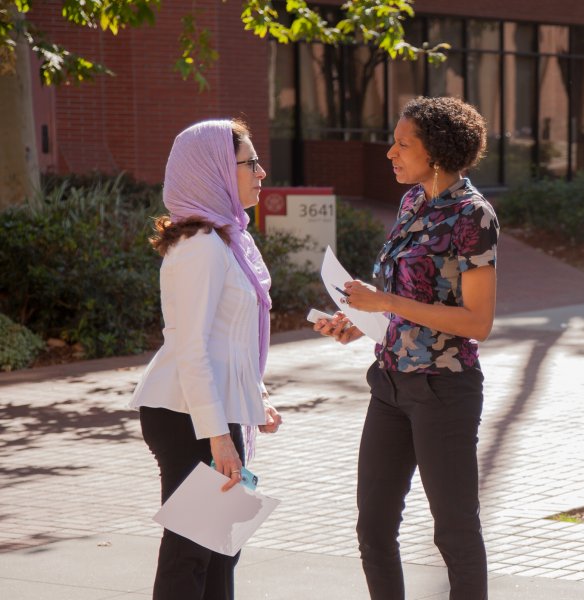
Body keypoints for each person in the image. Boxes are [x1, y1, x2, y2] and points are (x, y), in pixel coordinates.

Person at [314, 96, 497, 600]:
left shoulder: (472, 216)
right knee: (372, 528)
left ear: (435, 151)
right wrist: (359, 320)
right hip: (390, 385)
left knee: (454, 531)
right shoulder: (412, 201)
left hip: (444, 391)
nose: (390, 153)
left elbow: (478, 322)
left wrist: (386, 300)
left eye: (402, 144)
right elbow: (406, 304)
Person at [130, 118, 283, 599]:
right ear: (214, 170)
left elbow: (227, 339)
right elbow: (191, 347)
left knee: (221, 551)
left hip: (211, 412)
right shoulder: (201, 248)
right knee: (190, 553)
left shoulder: (227, 241)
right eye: (250, 163)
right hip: (186, 416)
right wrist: (219, 438)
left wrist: (256, 396)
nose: (261, 173)